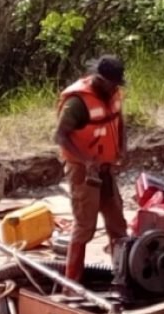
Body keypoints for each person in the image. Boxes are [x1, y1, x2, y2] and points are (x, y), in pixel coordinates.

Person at [55, 55, 129, 284]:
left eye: (117, 83)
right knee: (85, 225)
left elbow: (119, 121)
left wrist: (123, 149)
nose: (114, 87)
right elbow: (60, 136)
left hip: (105, 167)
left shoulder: (113, 95)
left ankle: (123, 275)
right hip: (83, 171)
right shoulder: (77, 102)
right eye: (111, 83)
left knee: (117, 221)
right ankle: (72, 283)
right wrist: (86, 160)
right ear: (99, 78)